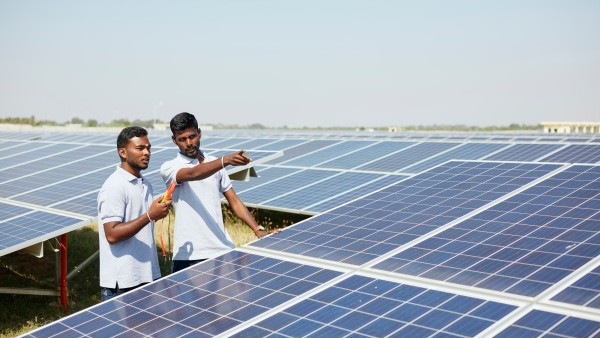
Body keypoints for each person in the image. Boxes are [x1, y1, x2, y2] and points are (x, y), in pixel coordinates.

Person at [160, 112, 281, 273]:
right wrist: (225, 160)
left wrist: (258, 230)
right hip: (189, 256)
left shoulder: (215, 164)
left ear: (199, 133)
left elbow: (234, 201)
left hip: (222, 250)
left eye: (192, 136)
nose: (189, 143)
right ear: (174, 140)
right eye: (182, 139)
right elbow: (193, 173)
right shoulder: (170, 167)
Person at [97, 126, 172, 300]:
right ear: (123, 152)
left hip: (146, 276)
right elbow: (112, 234)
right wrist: (149, 215)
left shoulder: (145, 184)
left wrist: (156, 211)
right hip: (122, 283)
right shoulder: (114, 186)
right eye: (140, 148)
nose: (147, 153)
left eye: (148, 148)